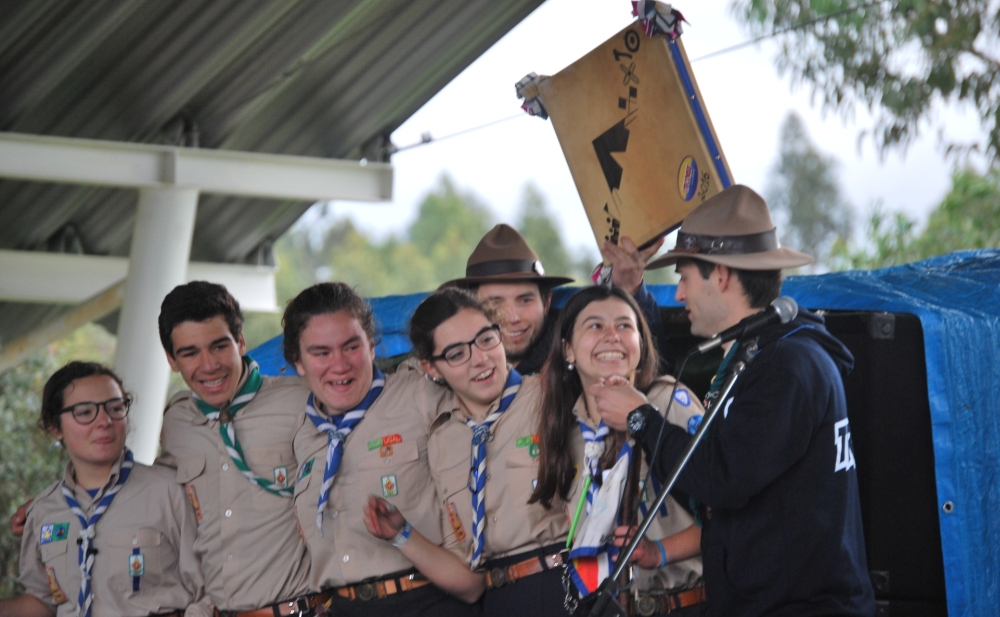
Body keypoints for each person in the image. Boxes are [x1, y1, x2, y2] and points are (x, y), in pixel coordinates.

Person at [592, 185, 876, 616]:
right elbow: (732, 497)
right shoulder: (766, 356)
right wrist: (662, 553)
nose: (680, 294)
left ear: (721, 275)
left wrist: (640, 418)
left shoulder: (786, 366)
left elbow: (721, 479)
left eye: (684, 277)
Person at [367, 287, 573, 616]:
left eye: (486, 339)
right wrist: (401, 534)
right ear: (431, 368)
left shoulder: (552, 397)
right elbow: (470, 584)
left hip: (567, 589)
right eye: (456, 354)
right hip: (498, 602)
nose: (480, 358)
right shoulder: (443, 440)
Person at [281, 283, 478, 616]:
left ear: (372, 346)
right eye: (321, 353)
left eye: (351, 346)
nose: (339, 364)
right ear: (298, 362)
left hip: (429, 602)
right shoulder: (302, 433)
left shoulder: (421, 395)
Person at [530, 285, 706, 617]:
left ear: (641, 342)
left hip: (682, 604)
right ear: (568, 350)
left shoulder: (666, 401)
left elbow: (723, 508)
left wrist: (660, 551)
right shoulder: (566, 430)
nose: (612, 336)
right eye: (595, 326)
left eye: (625, 325)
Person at [156, 282, 321, 616]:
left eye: (219, 346)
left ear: (241, 342)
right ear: (172, 360)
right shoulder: (177, 423)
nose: (209, 365)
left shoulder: (303, 401)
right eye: (190, 353)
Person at [0, 362, 205, 617]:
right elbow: (43, 602)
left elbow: (207, 589)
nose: (105, 421)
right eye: (85, 412)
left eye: (115, 408)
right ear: (54, 427)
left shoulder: (170, 493)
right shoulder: (43, 511)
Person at [444, 224, 666, 375]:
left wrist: (630, 291)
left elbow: (652, 370)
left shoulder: (578, 352)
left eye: (525, 300)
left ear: (547, 303)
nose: (513, 317)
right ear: (471, 309)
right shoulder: (448, 364)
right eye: (495, 303)